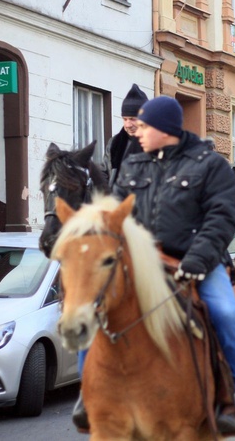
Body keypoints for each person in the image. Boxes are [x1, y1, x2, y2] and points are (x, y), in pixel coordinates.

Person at [113, 96, 235, 435]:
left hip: (197, 263)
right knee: (97, 310)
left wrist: (196, 260)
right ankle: (92, 394)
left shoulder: (209, 165)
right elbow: (114, 216)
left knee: (225, 314)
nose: (137, 132)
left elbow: (222, 218)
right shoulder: (132, 165)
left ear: (165, 129)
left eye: (144, 126)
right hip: (144, 264)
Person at [72, 83, 149, 430]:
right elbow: (106, 188)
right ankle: (87, 389)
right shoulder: (115, 145)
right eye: (126, 117)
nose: (130, 123)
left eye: (135, 117)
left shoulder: (156, 148)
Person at [103, 84, 149, 187]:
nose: (128, 124)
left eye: (133, 119)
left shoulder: (157, 143)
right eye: (125, 119)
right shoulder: (114, 143)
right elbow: (105, 173)